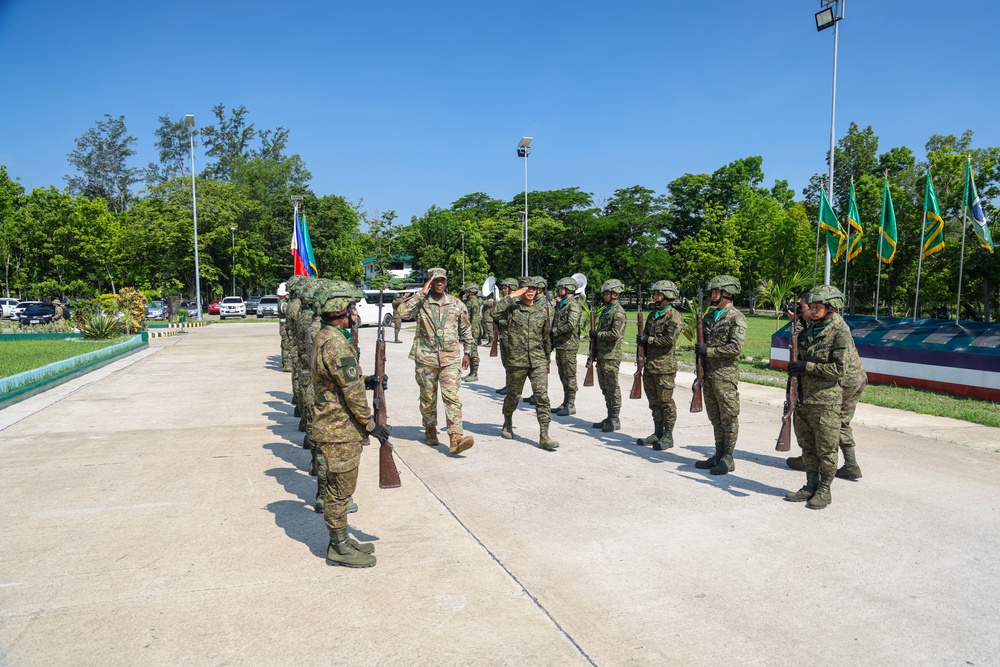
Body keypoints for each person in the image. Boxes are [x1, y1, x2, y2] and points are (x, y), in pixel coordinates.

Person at [311, 283, 391, 567]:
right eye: (352, 308)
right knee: (339, 490)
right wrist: (370, 424)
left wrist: (367, 380)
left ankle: (342, 538)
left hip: (335, 425)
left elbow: (343, 381)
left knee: (340, 487)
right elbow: (351, 392)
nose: (355, 313)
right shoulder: (334, 342)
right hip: (339, 428)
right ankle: (338, 546)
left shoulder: (327, 335)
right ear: (340, 311)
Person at [785, 288, 867, 481]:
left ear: (829, 308)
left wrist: (806, 365)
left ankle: (844, 464)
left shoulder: (836, 327)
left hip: (845, 380)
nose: (808, 311)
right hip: (846, 377)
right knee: (832, 421)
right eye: (809, 307)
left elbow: (836, 366)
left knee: (832, 420)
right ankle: (839, 463)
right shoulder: (814, 324)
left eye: (806, 307)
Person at [397, 268, 475, 455]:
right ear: (430, 283)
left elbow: (465, 329)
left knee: (452, 397)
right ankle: (430, 428)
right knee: (428, 397)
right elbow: (401, 313)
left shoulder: (456, 304)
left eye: (442, 280)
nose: (439, 284)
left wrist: (468, 353)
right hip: (426, 358)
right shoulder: (421, 303)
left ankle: (455, 437)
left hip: (449, 359)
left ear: (446, 282)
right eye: (435, 281)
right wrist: (419, 294)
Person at [495, 277, 558, 449]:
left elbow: (546, 337)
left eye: (533, 288)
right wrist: (512, 295)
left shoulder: (542, 311)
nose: (530, 291)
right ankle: (507, 421)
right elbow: (494, 312)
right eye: (526, 288)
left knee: (542, 396)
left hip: (538, 360)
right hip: (517, 361)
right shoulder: (512, 310)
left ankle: (544, 435)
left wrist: (547, 360)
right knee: (514, 396)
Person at [694, 275, 747, 475]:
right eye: (712, 292)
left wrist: (709, 351)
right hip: (708, 374)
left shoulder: (737, 318)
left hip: (725, 376)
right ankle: (718, 453)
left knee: (729, 417)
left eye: (717, 291)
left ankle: (728, 457)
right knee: (715, 417)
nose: (713, 295)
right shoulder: (709, 316)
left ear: (729, 293)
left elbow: (735, 347)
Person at [636, 280, 684, 450]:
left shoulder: (673, 316)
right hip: (650, 366)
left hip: (664, 368)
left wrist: (647, 340)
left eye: (659, 294)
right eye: (655, 294)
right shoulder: (652, 315)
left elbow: (668, 340)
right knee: (654, 402)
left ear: (668, 296)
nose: (655, 297)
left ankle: (668, 435)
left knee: (666, 402)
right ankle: (657, 432)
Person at [590, 279, 627, 433]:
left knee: (612, 388)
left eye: (607, 293)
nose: (604, 296)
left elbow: (615, 334)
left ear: (615, 294)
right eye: (605, 293)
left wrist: (597, 334)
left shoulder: (618, 312)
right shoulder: (607, 310)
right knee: (605, 387)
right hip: (602, 355)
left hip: (611, 355)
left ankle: (615, 418)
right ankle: (609, 415)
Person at [550, 276, 583, 416]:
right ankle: (565, 402)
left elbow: (571, 324)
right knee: (562, 374)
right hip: (561, 345)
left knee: (569, 375)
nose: (559, 290)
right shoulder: (561, 303)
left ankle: (571, 404)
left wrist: (555, 331)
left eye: (561, 288)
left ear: (569, 289)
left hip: (569, 346)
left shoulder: (573, 305)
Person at [494, 278, 519, 396]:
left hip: (511, 336)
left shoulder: (515, 301)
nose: (503, 289)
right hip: (504, 335)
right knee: (505, 362)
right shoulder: (506, 300)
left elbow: (513, 320)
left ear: (512, 288)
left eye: (505, 287)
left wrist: (501, 321)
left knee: (511, 362)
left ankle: (513, 386)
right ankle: (509, 384)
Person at [461, 283, 482, 382]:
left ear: (471, 291)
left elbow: (475, 318)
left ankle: (474, 373)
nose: (465, 292)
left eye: (467, 291)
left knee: (473, 352)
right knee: (468, 352)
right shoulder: (468, 301)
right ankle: (471, 372)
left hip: (472, 330)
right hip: (468, 330)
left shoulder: (474, 302)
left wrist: (472, 332)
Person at [277, 281, 293, 372]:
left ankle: (287, 363)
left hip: (285, 325)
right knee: (286, 345)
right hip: (285, 326)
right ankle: (287, 364)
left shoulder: (283, 301)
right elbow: (287, 311)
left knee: (286, 344)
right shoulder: (282, 303)